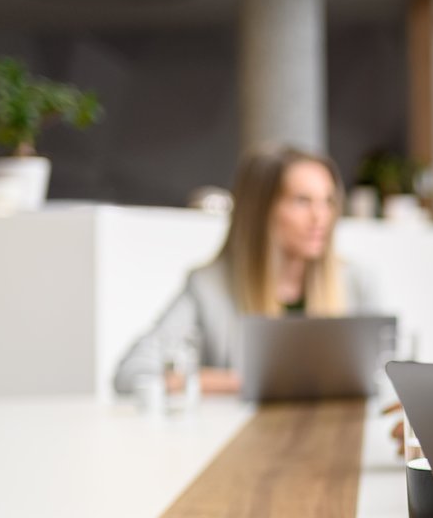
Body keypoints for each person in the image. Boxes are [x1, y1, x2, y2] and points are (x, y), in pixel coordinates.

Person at [114, 144, 374, 396]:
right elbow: (131, 373)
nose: (320, 217)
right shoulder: (209, 287)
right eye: (302, 201)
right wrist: (241, 383)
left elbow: (383, 377)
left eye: (328, 201)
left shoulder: (354, 281)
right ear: (261, 210)